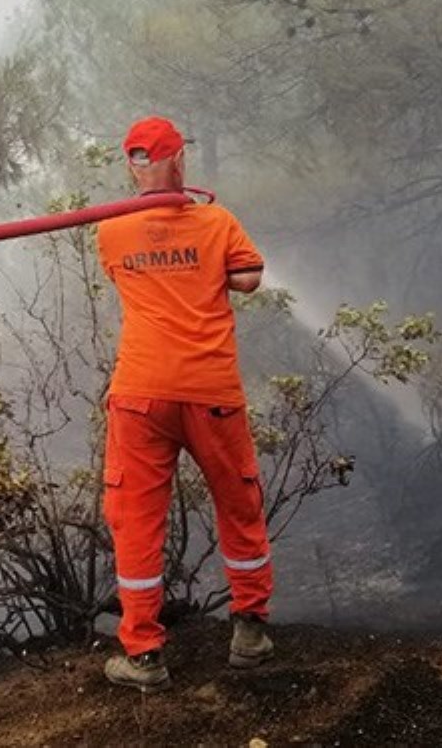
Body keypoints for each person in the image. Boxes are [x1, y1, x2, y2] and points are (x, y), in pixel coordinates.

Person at [95, 116, 275, 692]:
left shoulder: (111, 231)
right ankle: (250, 632)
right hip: (210, 392)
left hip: (140, 395)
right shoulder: (217, 221)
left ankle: (144, 655)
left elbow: (129, 278)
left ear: (133, 165)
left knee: (136, 522)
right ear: (181, 162)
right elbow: (248, 278)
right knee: (238, 503)